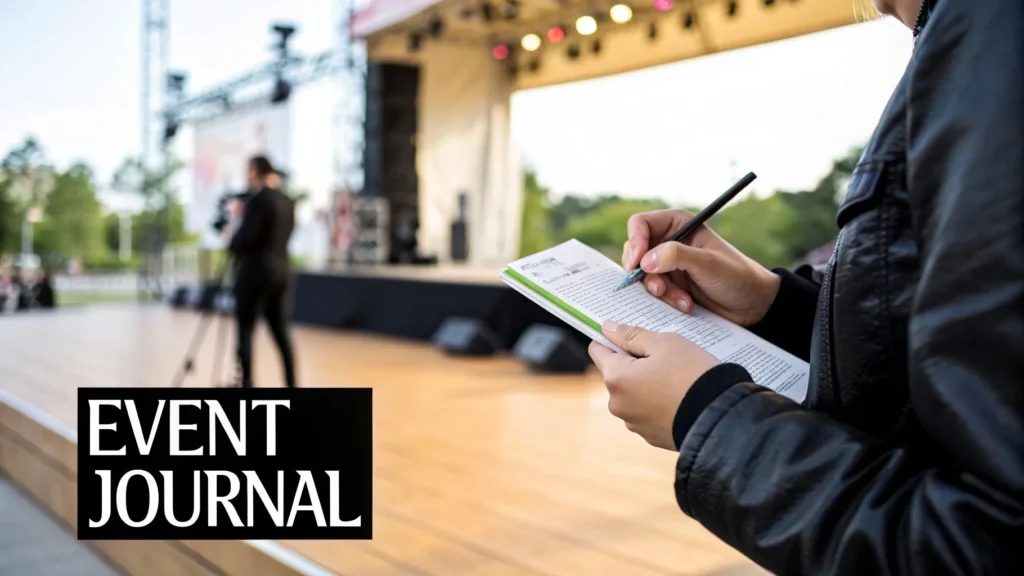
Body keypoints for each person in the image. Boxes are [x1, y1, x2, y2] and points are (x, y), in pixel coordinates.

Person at [588, 0, 1023, 574]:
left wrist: (709, 420)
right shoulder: (966, 35)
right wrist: (774, 304)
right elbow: (944, 355)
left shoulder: (994, 31)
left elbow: (986, 542)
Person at [228, 155, 297, 388]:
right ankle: (292, 384)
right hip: (282, 271)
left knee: (246, 327)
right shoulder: (288, 201)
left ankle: (246, 384)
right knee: (280, 331)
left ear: (255, 170)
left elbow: (246, 239)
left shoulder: (258, 201)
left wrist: (235, 230)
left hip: (256, 272)